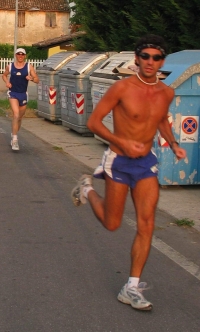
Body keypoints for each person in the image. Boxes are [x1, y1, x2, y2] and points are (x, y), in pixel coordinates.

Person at [71, 34, 187, 311]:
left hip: (145, 163)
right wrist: (121, 142)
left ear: (162, 61)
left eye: (156, 57)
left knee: (147, 225)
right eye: (145, 56)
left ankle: (131, 286)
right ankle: (86, 188)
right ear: (136, 59)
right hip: (119, 160)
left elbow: (160, 120)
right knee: (112, 224)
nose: (150, 61)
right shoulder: (122, 89)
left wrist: (173, 143)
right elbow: (94, 122)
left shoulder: (166, 93)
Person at [2, 48, 39, 151]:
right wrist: (7, 82)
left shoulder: (29, 67)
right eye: (18, 54)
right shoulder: (10, 66)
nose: (20, 56)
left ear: (25, 56)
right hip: (12, 93)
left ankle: (14, 133)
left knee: (20, 118)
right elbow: (4, 75)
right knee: (16, 114)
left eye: (22, 54)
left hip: (23, 94)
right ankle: (15, 140)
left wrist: (31, 78)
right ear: (16, 55)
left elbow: (37, 79)